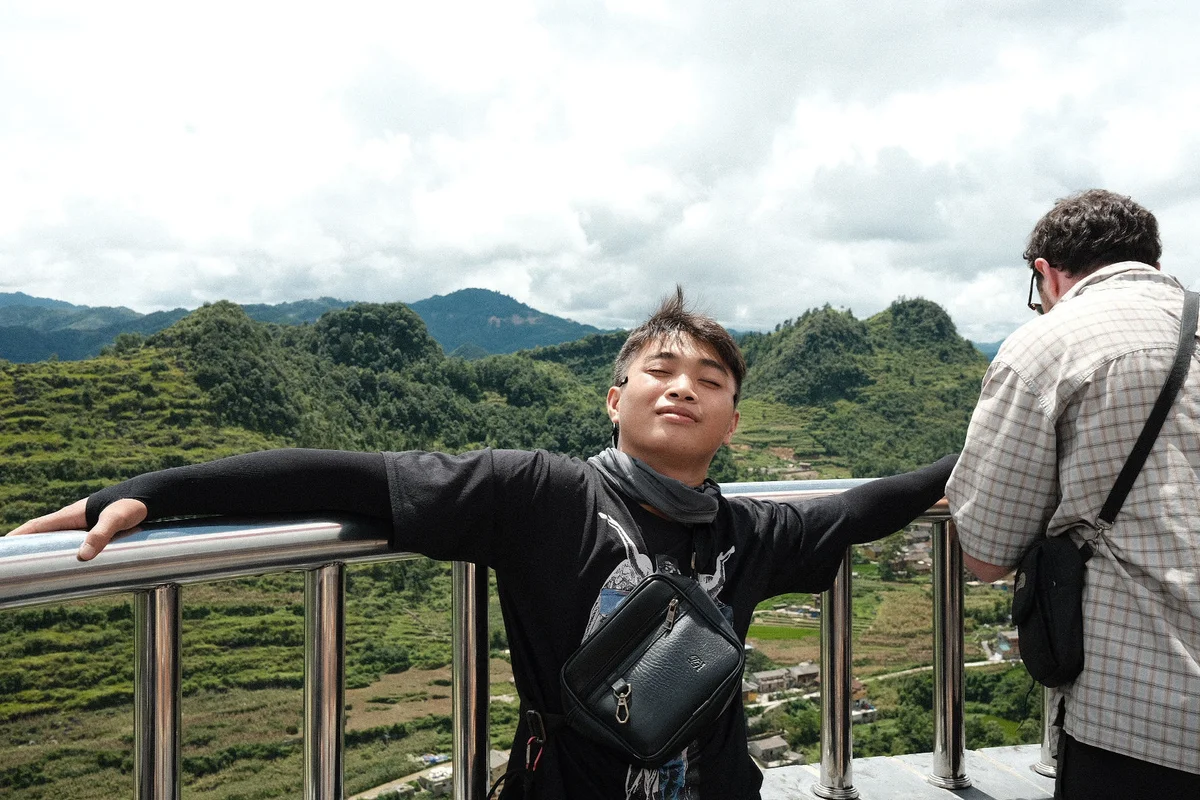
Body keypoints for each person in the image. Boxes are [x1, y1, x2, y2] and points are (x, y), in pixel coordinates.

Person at [12, 288, 955, 800]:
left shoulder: (752, 530)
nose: (683, 387)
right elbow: (344, 477)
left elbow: (872, 504)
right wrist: (152, 493)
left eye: (710, 380)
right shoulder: (543, 493)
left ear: (733, 421)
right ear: (614, 400)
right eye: (659, 370)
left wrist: (997, 453)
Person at [946, 190, 1200, 798]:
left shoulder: (1049, 344)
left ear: (1047, 273)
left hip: (1143, 712)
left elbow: (986, 553)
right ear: (1152, 263)